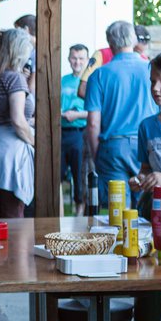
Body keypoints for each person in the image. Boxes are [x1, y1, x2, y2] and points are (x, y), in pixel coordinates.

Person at [84, 21, 158, 208]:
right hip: (147, 145)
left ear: (110, 43)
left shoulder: (99, 75)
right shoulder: (151, 69)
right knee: (145, 211)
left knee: (117, 213)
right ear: (133, 40)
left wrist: (97, 155)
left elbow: (93, 123)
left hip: (113, 148)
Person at [0, 29, 35, 218]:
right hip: (11, 153)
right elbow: (18, 120)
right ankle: (16, 249)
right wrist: (35, 143)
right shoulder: (14, 78)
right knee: (13, 214)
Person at [131, 50, 161, 195]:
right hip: (155, 205)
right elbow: (146, 168)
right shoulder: (146, 126)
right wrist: (142, 179)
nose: (155, 88)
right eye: (153, 81)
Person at [61, 44, 90, 214]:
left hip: (81, 134)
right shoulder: (63, 80)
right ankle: (60, 215)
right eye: (74, 58)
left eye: (81, 58)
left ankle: (79, 217)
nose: (77, 62)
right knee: (57, 176)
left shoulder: (90, 82)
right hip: (62, 132)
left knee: (80, 177)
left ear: (87, 60)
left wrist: (78, 115)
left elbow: (97, 112)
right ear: (68, 59)